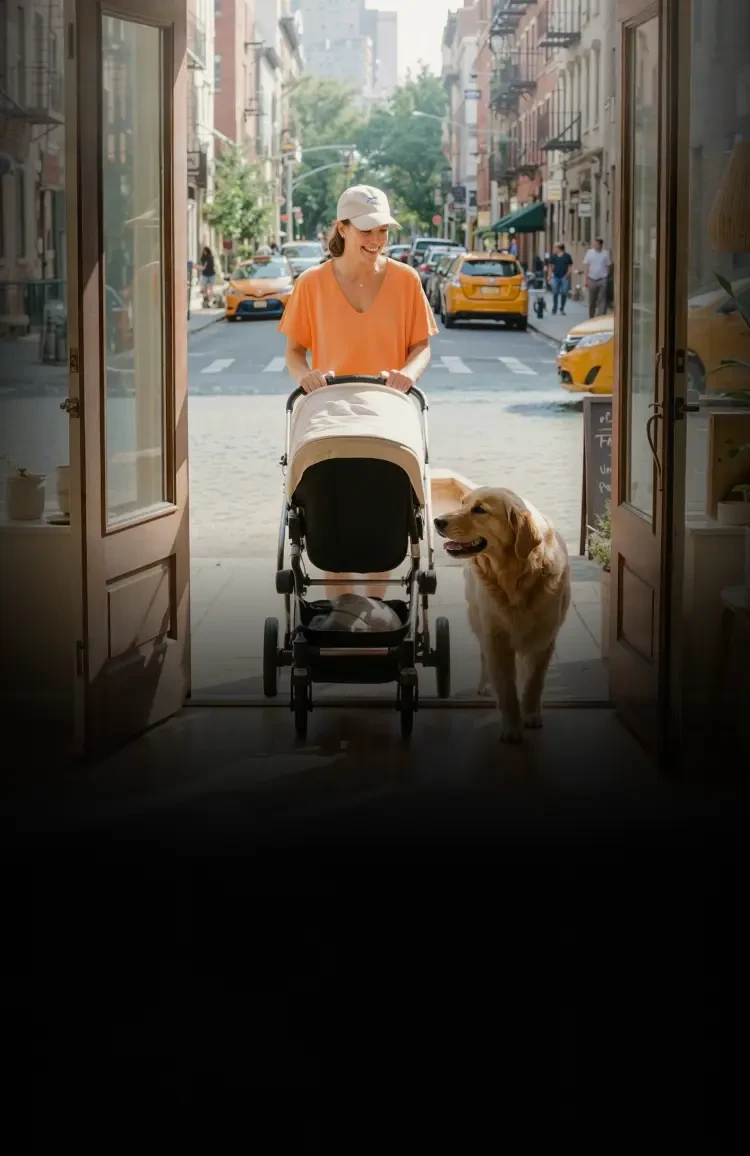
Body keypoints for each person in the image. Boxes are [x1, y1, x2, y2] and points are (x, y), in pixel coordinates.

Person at [279, 183, 439, 594]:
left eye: (383, 229)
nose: (377, 240)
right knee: (333, 528)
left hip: (388, 421)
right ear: (343, 228)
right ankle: (340, 615)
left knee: (384, 526)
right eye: (367, 230)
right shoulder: (312, 284)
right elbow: (294, 353)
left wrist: (409, 373)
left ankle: (379, 619)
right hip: (330, 422)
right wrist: (305, 376)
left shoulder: (406, 280)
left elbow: (422, 346)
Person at [583, 237, 612, 317]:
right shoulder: (589, 252)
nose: (595, 245)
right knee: (592, 300)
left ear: (600, 245)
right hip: (592, 278)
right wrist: (585, 281)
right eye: (594, 243)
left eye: (596, 244)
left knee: (602, 299)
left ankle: (599, 316)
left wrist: (606, 276)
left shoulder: (605, 253)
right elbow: (586, 267)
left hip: (602, 279)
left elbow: (608, 265)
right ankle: (591, 316)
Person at [548, 242, 573, 315]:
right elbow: (551, 267)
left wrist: (567, 275)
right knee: (555, 293)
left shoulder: (567, 256)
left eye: (555, 247)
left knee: (564, 293)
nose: (554, 249)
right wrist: (549, 276)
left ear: (559, 248)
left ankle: (562, 308)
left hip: (564, 278)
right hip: (555, 277)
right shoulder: (553, 256)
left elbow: (570, 266)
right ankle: (554, 308)